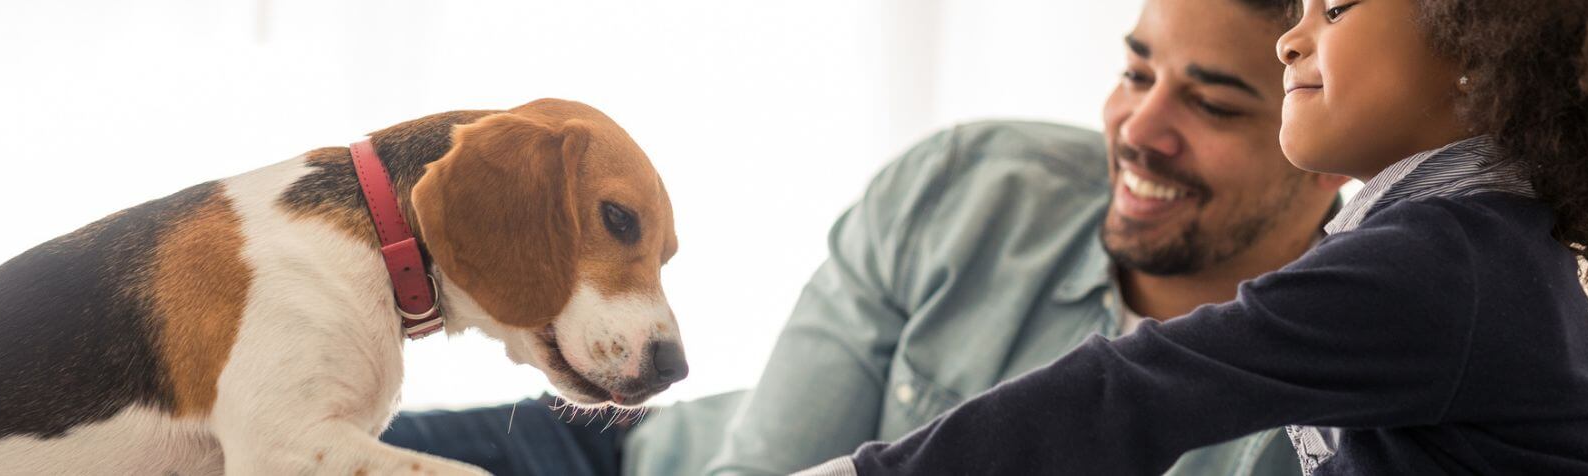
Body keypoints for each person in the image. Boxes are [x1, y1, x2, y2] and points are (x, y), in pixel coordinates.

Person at [381, 0, 1337, 474]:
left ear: (1327, 154)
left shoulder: (1328, 393)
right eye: (1136, 74)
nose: (1138, 129)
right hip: (627, 452)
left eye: (1213, 104)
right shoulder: (969, 185)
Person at [802, 0, 1588, 473]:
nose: (1291, 41)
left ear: (1476, 47)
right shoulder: (1462, 243)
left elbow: (1134, 391)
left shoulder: (1442, 263)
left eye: (1336, 8)